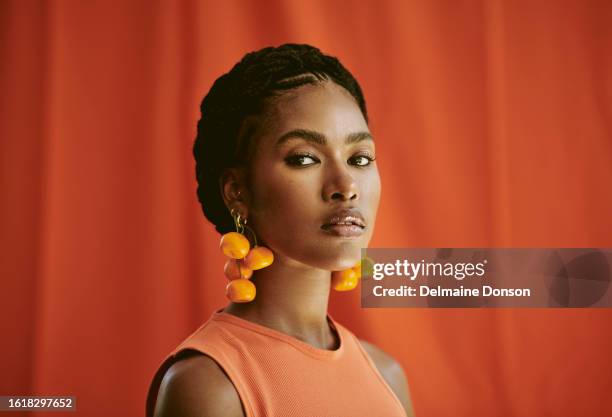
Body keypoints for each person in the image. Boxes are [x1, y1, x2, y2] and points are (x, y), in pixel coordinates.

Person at [146, 43, 415, 417]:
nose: (346, 184)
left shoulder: (388, 377)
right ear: (237, 191)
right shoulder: (209, 387)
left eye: (360, 158)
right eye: (304, 158)